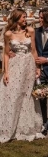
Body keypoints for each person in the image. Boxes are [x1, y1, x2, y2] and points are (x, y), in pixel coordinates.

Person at [0, 8, 44, 143]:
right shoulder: (8, 34)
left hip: (28, 65)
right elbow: (6, 54)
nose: (25, 19)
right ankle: (7, 126)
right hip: (15, 66)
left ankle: (24, 127)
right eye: (23, 17)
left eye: (25, 17)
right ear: (16, 18)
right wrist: (6, 72)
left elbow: (33, 50)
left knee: (26, 95)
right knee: (13, 93)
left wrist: (37, 67)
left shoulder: (30, 31)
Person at [34, 7, 48, 135]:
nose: (39, 20)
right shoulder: (36, 32)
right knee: (41, 97)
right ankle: (44, 124)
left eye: (42, 18)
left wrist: (47, 60)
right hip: (40, 72)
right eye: (39, 17)